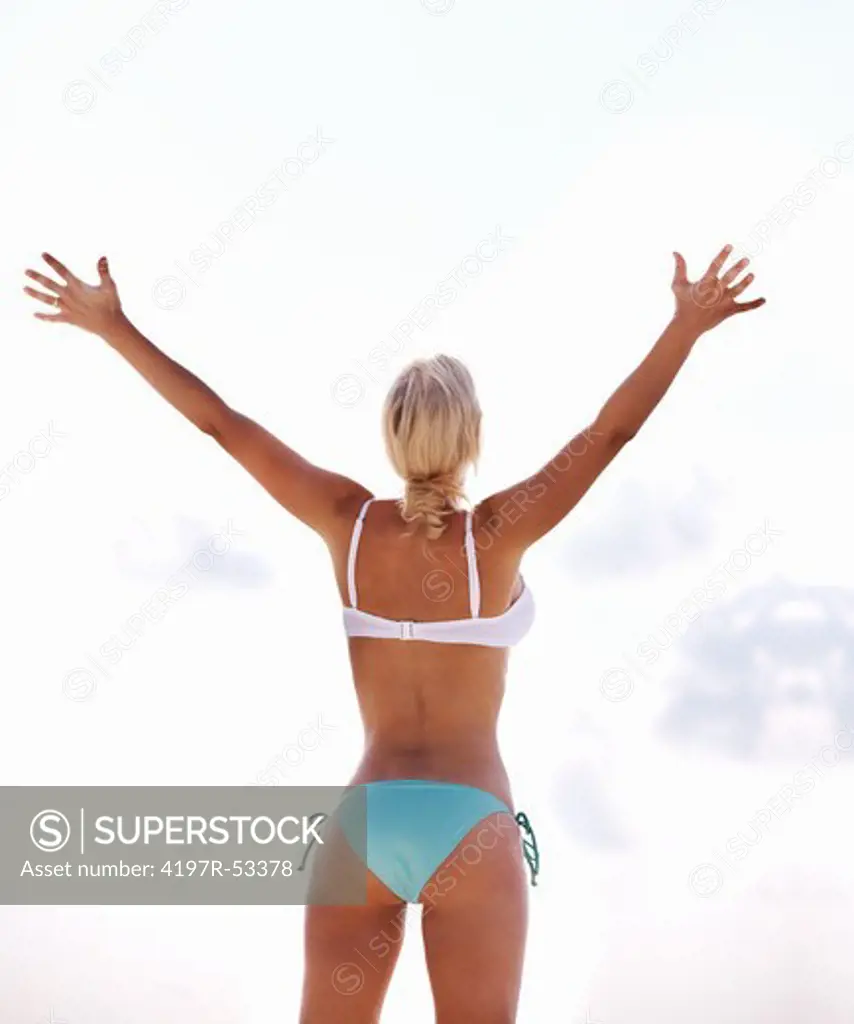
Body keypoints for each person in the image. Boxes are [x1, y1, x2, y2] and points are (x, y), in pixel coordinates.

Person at [24, 244, 765, 1022]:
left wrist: (114, 328)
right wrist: (685, 326)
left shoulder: (346, 522)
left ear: (393, 436)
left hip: (366, 823)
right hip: (471, 826)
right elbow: (610, 434)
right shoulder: (496, 535)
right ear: (470, 436)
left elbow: (221, 424)